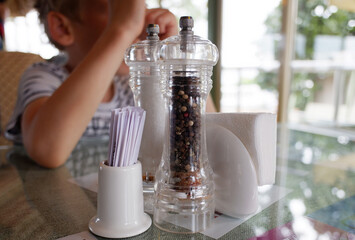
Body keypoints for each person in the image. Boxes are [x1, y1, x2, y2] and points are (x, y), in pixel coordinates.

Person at [5, 0, 216, 169]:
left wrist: (177, 63)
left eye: (141, 14)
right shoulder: (43, 76)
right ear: (62, 28)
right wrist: (122, 29)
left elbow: (212, 130)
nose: (139, 26)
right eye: (121, 11)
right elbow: (48, 151)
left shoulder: (133, 84)